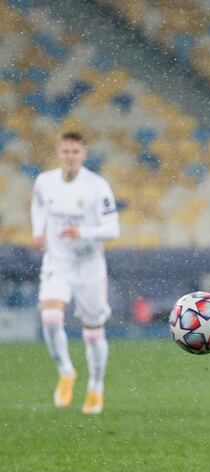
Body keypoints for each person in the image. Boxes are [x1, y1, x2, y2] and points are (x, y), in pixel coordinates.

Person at [31, 131, 119, 414]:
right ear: (58, 153)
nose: (70, 157)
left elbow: (113, 229)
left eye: (75, 152)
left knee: (93, 330)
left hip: (89, 266)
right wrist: (37, 231)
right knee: (50, 316)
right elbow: (38, 205)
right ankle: (67, 371)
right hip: (58, 261)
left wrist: (82, 231)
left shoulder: (97, 186)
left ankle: (96, 387)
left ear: (84, 155)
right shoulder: (44, 182)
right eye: (65, 151)